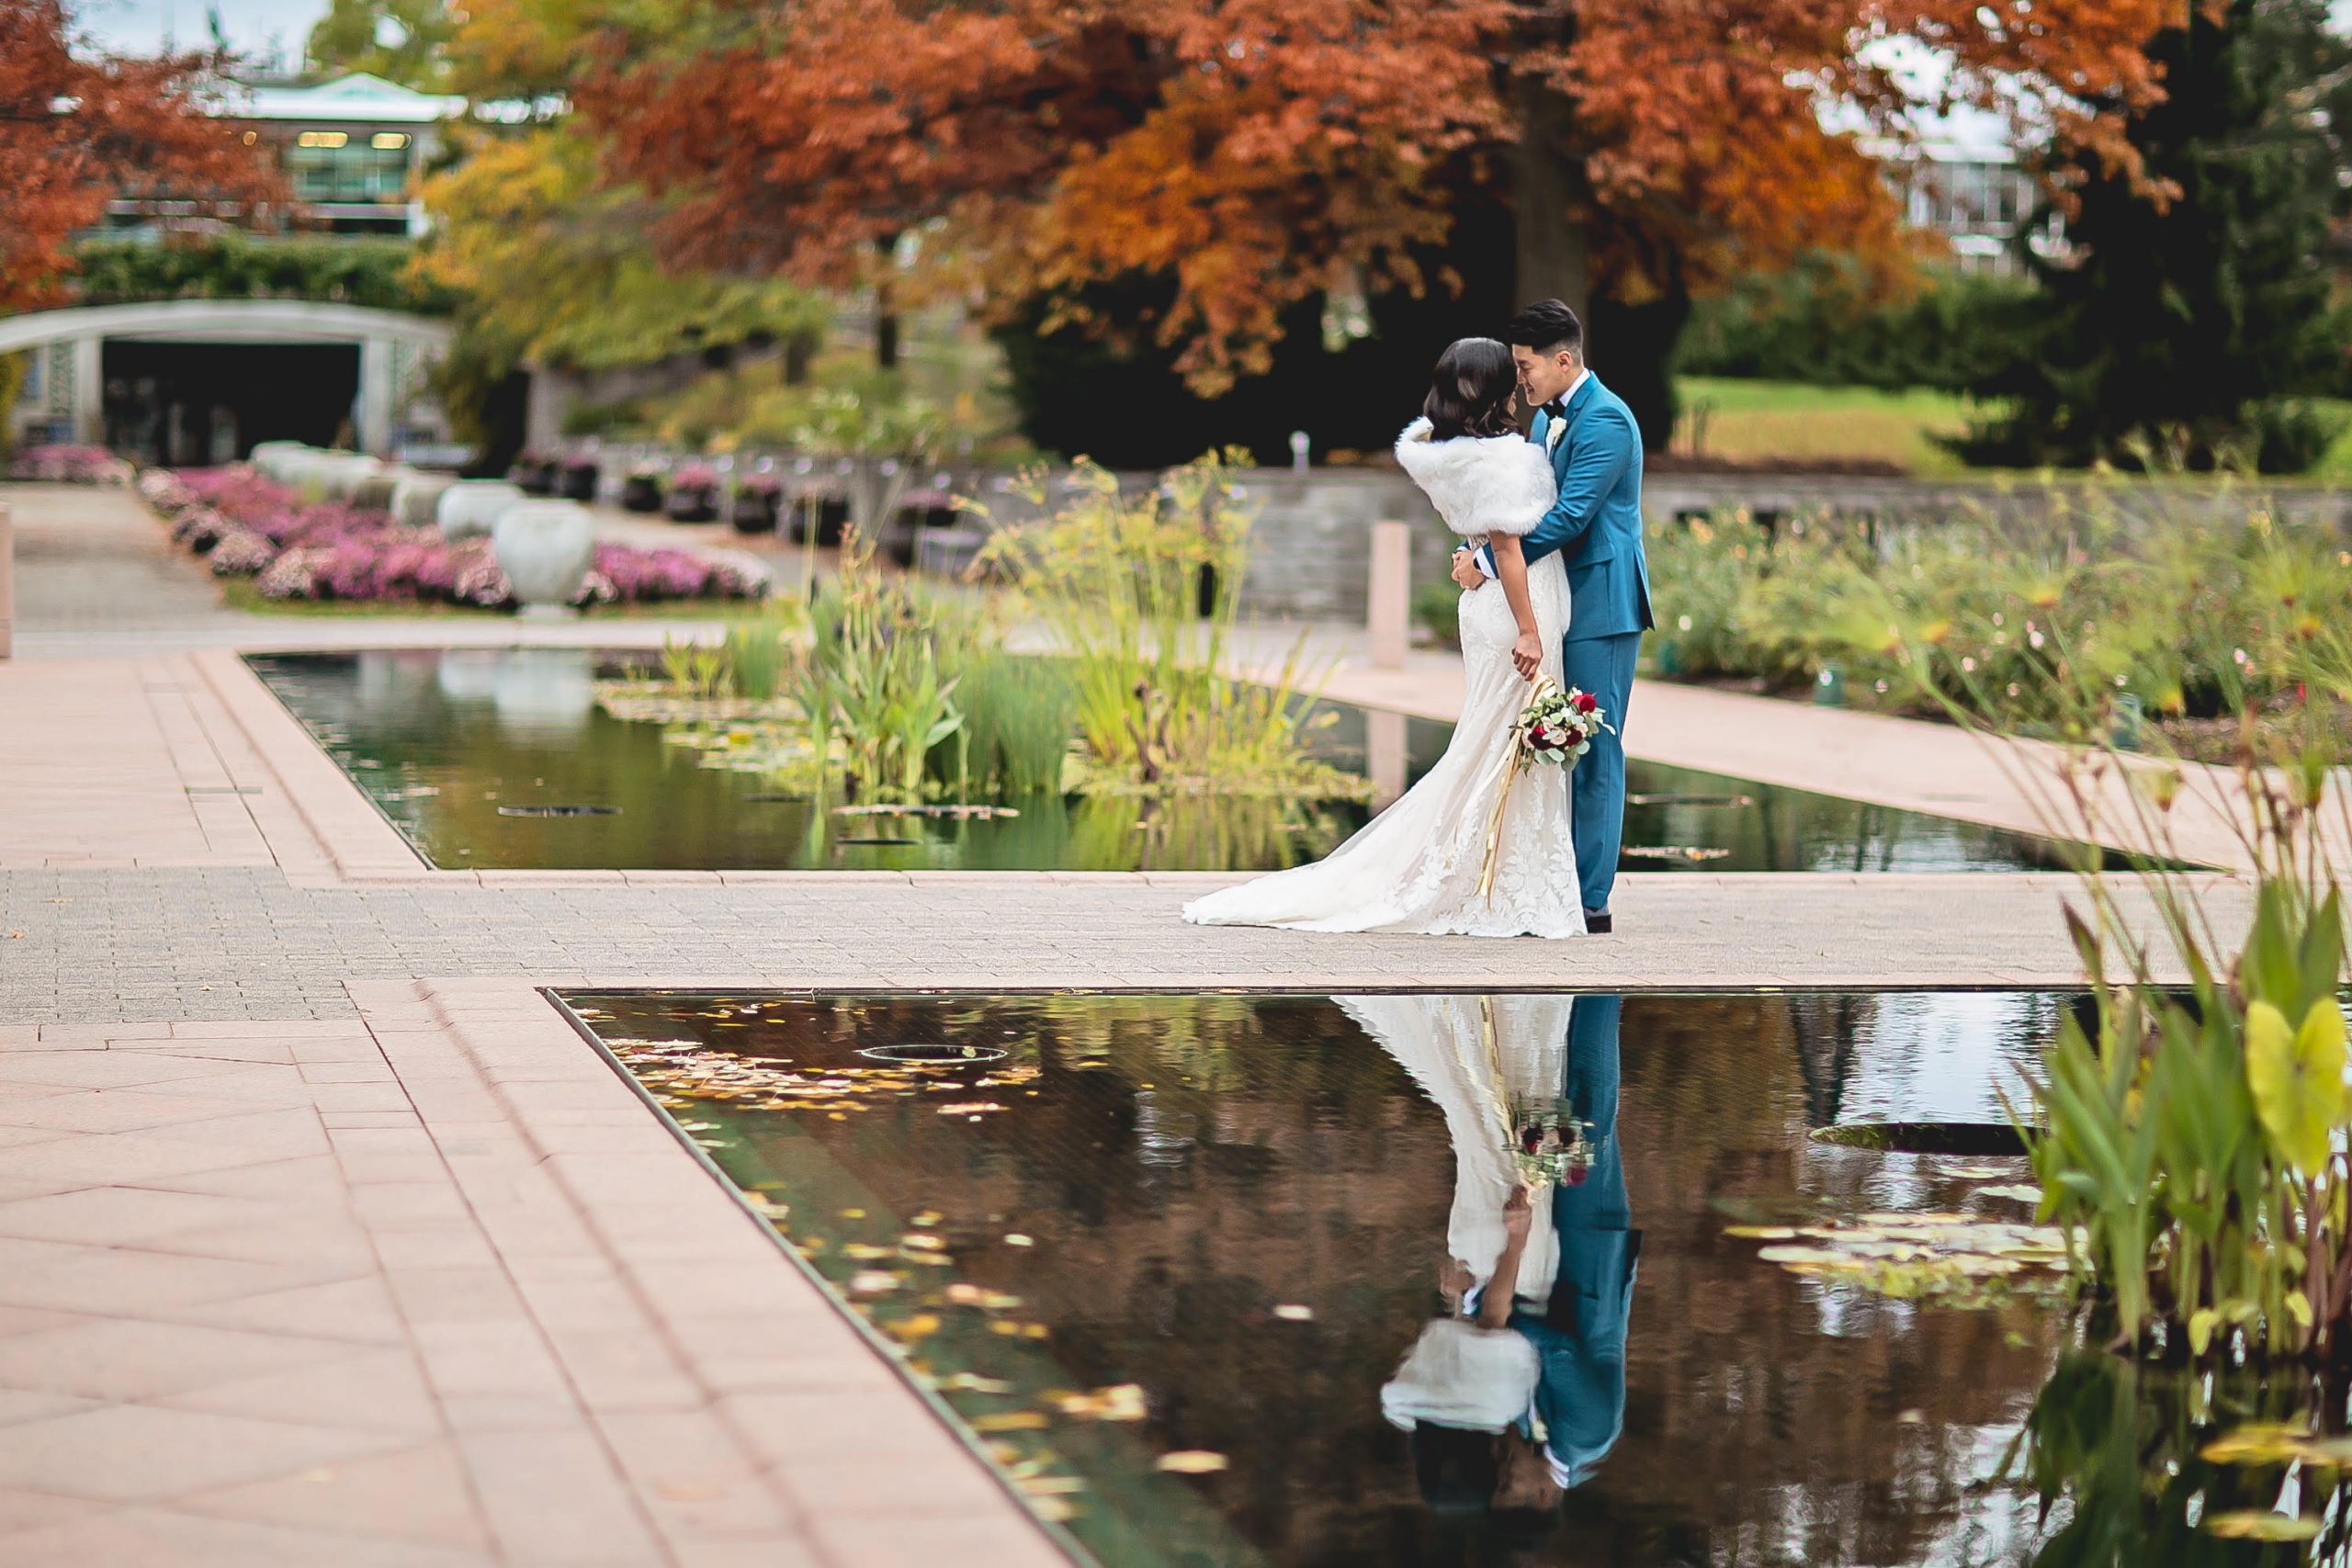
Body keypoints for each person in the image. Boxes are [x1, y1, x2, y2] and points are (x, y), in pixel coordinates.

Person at [1182, 337, 1585, 938]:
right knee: (1498, 744)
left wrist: (1471, 558)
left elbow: (1483, 540)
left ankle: (1497, 872)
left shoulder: (1449, 455)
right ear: (1496, 388)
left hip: (1484, 604)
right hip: (1514, 609)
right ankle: (1488, 880)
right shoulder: (1505, 459)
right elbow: (1508, 547)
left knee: (1491, 742)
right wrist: (1528, 630)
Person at [1453, 300, 1654, 934]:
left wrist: (1487, 561)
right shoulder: (1546, 421)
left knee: (1595, 747)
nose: (1519, 380)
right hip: (1558, 599)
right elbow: (1526, 507)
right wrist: (1480, 545)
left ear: (1563, 360)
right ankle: (1547, 884)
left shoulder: (1609, 423)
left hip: (1602, 603)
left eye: (1525, 366)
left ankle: (1591, 901)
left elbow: (1568, 517)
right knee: (1544, 741)